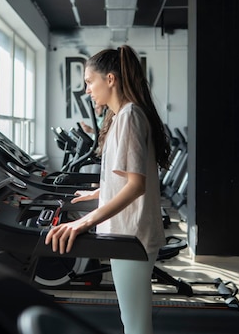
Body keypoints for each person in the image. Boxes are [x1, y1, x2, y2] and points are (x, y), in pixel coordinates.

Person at [45, 45, 170, 334]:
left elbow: (137, 186)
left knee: (136, 325)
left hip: (132, 235)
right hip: (126, 233)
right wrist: (98, 193)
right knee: (133, 320)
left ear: (110, 79)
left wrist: (84, 221)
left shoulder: (129, 116)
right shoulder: (123, 116)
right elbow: (128, 178)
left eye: (90, 81)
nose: (87, 89)